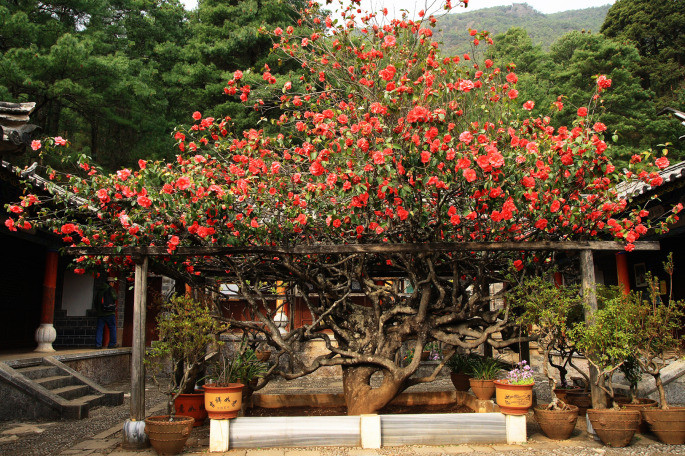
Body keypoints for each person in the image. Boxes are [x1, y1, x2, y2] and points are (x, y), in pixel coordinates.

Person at [94, 278, 118, 349]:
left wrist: (99, 310)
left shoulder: (100, 291)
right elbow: (115, 297)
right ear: (110, 283)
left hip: (101, 314)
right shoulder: (111, 289)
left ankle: (98, 344)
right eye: (113, 282)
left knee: (99, 328)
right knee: (112, 328)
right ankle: (112, 343)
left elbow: (95, 302)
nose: (113, 284)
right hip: (110, 313)